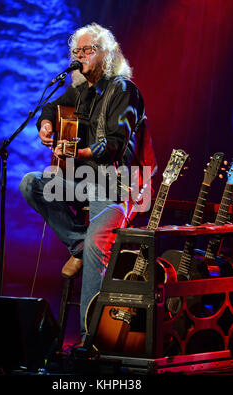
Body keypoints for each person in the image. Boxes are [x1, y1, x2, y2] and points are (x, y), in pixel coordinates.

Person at [19, 22, 157, 344]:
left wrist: (82, 151)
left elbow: (116, 141)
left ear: (105, 54)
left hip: (117, 185)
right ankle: (77, 243)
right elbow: (52, 105)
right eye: (76, 52)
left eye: (87, 51)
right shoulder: (80, 89)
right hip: (84, 181)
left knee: (99, 245)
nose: (80, 57)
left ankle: (88, 340)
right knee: (31, 183)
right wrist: (46, 123)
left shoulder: (125, 90)